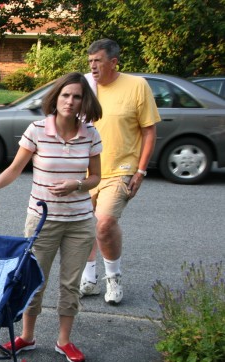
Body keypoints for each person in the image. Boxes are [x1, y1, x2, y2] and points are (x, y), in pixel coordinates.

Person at [0, 72, 103, 362]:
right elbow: (15, 169)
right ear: (56, 98)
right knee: (34, 281)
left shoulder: (90, 134)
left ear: (84, 102)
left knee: (70, 284)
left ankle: (64, 341)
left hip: (80, 221)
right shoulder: (36, 130)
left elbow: (96, 177)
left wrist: (78, 184)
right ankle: (28, 337)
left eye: (77, 97)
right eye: (66, 95)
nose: (71, 101)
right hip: (42, 220)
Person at [80, 39, 161, 305]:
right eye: (90, 61)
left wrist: (140, 171)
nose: (93, 66)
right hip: (84, 170)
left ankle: (113, 279)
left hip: (120, 169)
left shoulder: (137, 86)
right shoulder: (86, 88)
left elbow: (149, 130)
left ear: (113, 62)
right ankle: (89, 278)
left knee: (104, 222)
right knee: (83, 226)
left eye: (98, 61)